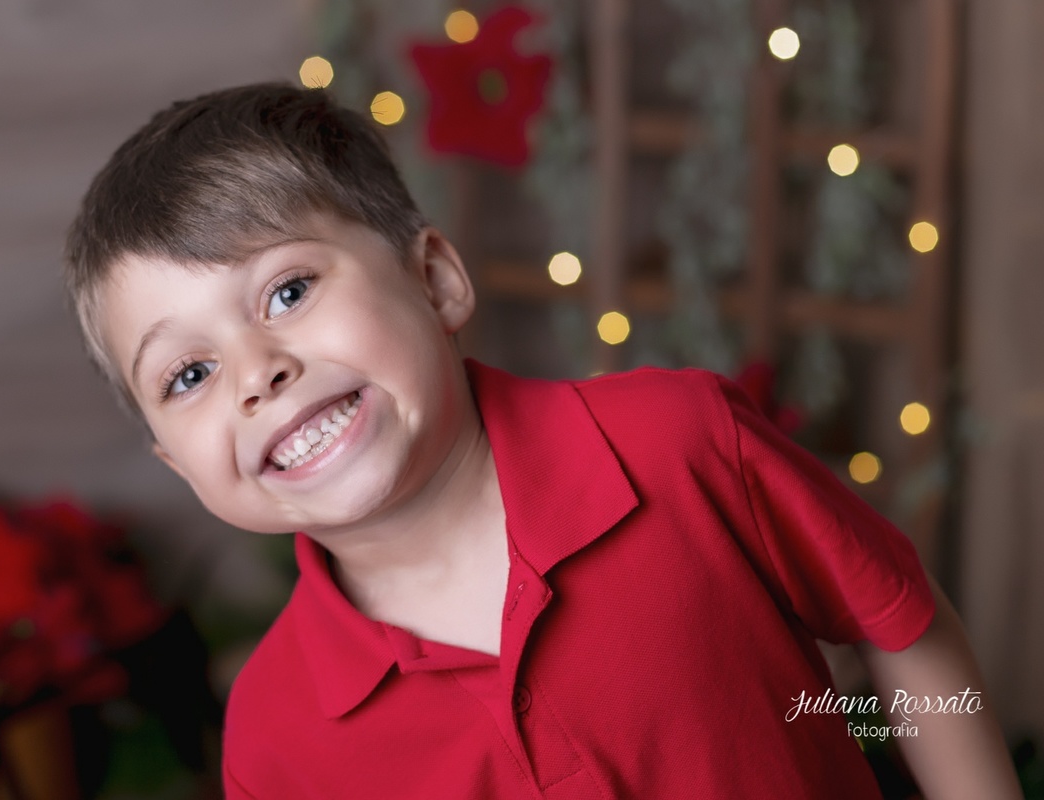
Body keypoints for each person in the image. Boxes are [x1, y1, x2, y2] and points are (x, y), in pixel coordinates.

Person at [63, 83, 1021, 799]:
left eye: (288, 291)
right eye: (187, 375)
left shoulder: (679, 445)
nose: (257, 373)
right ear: (174, 464)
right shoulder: (276, 734)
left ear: (435, 280)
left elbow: (902, 631)